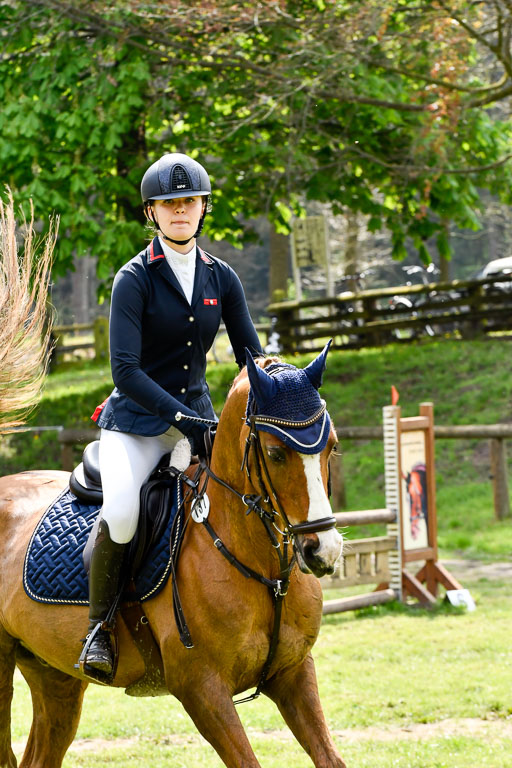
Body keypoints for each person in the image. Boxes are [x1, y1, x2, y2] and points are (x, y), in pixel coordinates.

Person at [82, 152, 262, 677]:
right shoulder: (132, 279)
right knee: (120, 511)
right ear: (152, 214)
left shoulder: (221, 278)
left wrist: (280, 384)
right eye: (169, 204)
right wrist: (184, 420)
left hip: (201, 424)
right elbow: (126, 372)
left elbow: (251, 356)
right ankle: (100, 627)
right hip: (135, 428)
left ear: (203, 208)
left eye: (189, 202)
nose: (179, 211)